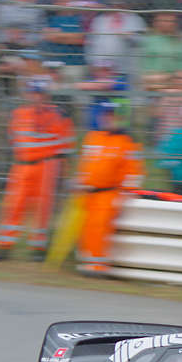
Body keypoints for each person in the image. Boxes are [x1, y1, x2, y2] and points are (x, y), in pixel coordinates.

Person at [0, 78, 76, 260]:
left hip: (47, 166)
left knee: (42, 208)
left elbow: (66, 147)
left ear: (47, 95)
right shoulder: (19, 114)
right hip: (21, 166)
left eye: (40, 94)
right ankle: (4, 246)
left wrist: (64, 172)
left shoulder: (60, 116)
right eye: (34, 93)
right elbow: (13, 138)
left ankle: (38, 248)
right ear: (28, 94)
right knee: (13, 205)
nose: (37, 97)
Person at [75, 101, 143, 275]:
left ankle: (98, 264)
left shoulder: (127, 141)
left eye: (112, 115)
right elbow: (85, 163)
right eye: (105, 115)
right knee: (87, 226)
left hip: (109, 193)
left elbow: (133, 170)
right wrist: (79, 181)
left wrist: (128, 192)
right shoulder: (92, 137)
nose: (108, 119)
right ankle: (88, 260)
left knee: (100, 226)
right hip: (89, 192)